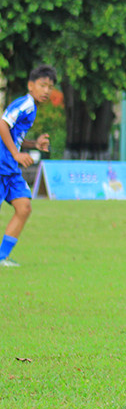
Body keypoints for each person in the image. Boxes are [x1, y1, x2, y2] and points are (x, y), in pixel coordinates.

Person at [0, 64, 57, 268]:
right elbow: (2, 124)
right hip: (2, 165)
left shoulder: (31, 108)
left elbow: (13, 136)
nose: (46, 90)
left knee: (24, 207)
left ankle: (2, 257)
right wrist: (16, 154)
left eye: (50, 87)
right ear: (30, 85)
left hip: (10, 169)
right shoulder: (25, 103)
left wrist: (34, 145)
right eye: (42, 85)